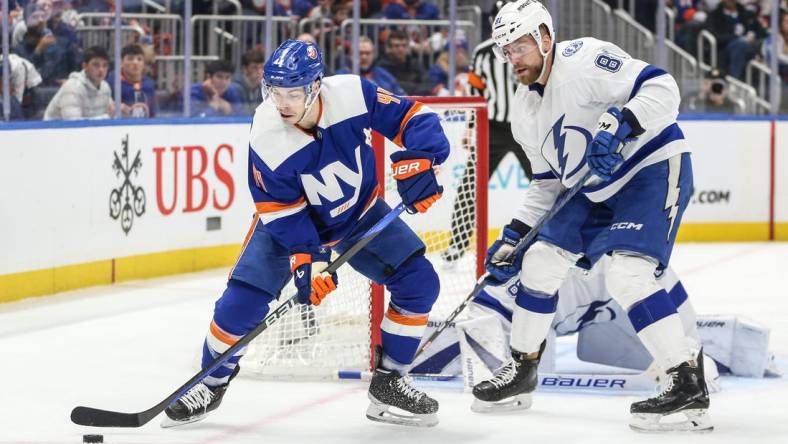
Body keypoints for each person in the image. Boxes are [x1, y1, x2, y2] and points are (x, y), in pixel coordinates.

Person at [161, 39, 450, 428]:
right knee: (239, 306)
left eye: (293, 92)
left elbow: (413, 119)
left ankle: (390, 381)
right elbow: (281, 210)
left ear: (316, 85)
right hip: (290, 225)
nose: (283, 103)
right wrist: (307, 261)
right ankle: (209, 382)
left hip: (361, 214)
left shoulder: (352, 93)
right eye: (275, 91)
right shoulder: (266, 132)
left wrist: (424, 159)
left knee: (419, 283)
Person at [471, 0, 710, 433]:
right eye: (506, 51)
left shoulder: (583, 60)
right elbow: (547, 183)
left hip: (649, 169)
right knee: (538, 262)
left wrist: (625, 122)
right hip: (593, 189)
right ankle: (522, 368)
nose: (513, 59)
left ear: (545, 38)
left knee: (628, 276)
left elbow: (663, 88)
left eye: (520, 46)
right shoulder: (525, 112)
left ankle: (686, 382)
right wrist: (515, 235)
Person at [441, 0, 535, 263]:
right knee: (470, 185)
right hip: (493, 127)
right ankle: (457, 245)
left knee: (546, 182)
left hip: (527, 125)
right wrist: (471, 127)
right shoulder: (483, 53)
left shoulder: (532, 49)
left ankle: (557, 239)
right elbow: (476, 92)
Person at [44, 46, 113, 120]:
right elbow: (73, 124)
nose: (101, 70)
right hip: (54, 130)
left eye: (105, 65)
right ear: (85, 66)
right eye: (96, 65)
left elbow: (111, 112)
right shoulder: (72, 87)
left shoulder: (105, 87)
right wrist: (105, 117)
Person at [336, 36, 406, 95]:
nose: (364, 57)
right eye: (360, 53)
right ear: (351, 54)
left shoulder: (384, 75)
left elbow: (402, 97)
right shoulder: (340, 76)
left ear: (373, 54)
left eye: (367, 53)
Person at [107, 44, 158, 118]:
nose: (135, 62)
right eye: (130, 59)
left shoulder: (149, 84)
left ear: (143, 64)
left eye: (139, 59)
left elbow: (154, 113)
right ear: (121, 62)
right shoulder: (111, 82)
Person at [377, 30, 431, 95]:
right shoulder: (382, 66)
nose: (401, 49)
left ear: (408, 47)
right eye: (397, 46)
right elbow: (388, 88)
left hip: (415, 100)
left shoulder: (415, 64)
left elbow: (427, 84)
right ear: (389, 48)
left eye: (404, 45)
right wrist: (413, 87)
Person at [232, 49, 264, 115]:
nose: (259, 71)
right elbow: (240, 114)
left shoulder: (263, 87)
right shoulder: (235, 87)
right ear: (244, 69)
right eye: (255, 67)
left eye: (261, 67)